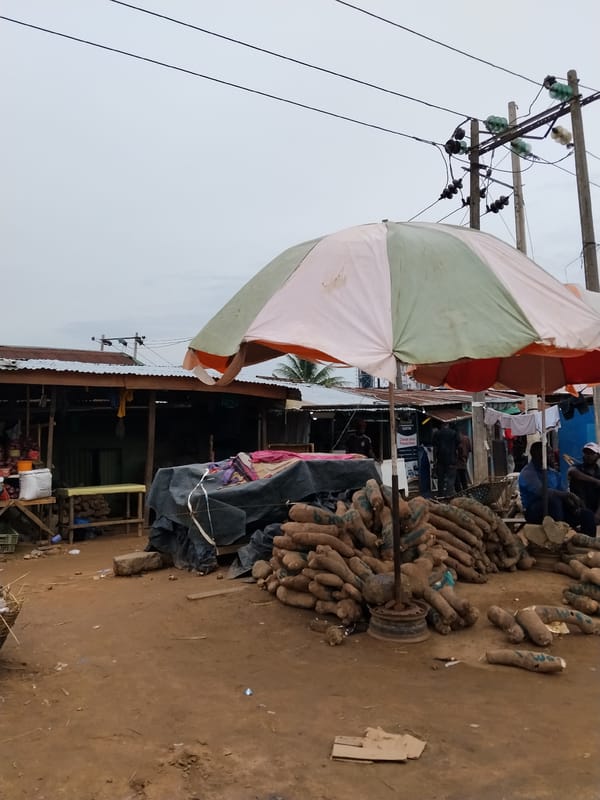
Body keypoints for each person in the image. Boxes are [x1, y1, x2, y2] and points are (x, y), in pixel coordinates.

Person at [518, 441, 596, 536]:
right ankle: (559, 535)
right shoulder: (528, 473)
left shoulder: (553, 473)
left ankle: (589, 541)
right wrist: (567, 494)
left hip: (557, 510)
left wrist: (574, 503)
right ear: (539, 455)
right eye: (549, 453)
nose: (552, 456)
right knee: (554, 500)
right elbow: (543, 492)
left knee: (587, 514)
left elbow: (563, 491)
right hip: (534, 511)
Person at [568, 442, 600, 523]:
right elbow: (572, 472)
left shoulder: (599, 472)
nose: (588, 455)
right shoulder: (577, 468)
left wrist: (597, 515)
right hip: (578, 508)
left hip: (595, 509)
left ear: (598, 456)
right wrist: (595, 481)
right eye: (586, 453)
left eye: (592, 453)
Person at [432, 421, 460, 497]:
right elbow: (458, 445)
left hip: (440, 461)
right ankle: (449, 496)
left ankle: (440, 496)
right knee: (450, 479)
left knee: (440, 480)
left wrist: (435, 460)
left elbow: (435, 448)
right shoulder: (454, 433)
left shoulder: (437, 434)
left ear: (441, 425)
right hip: (451, 460)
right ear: (448, 424)